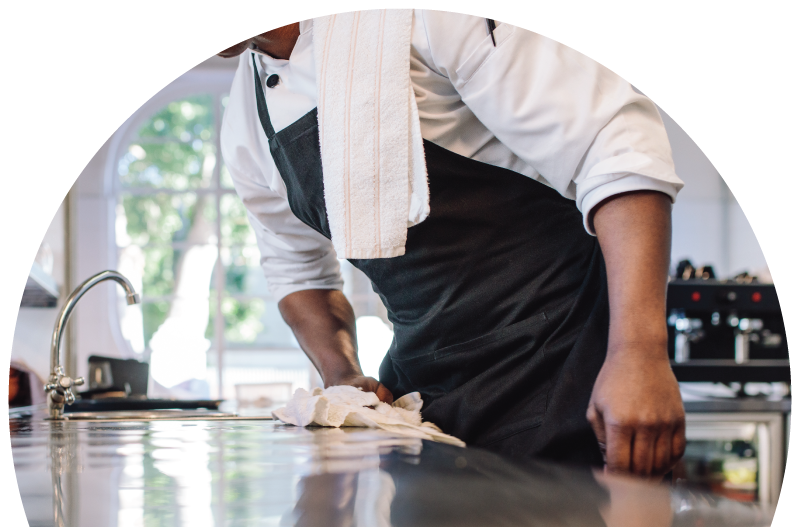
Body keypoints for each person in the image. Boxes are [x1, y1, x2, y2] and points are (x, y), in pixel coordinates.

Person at [218, 14, 686, 476]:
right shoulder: (244, 124)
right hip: (424, 403)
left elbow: (616, 148)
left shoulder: (427, 18)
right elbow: (299, 273)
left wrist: (639, 352)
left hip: (566, 368)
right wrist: (341, 374)